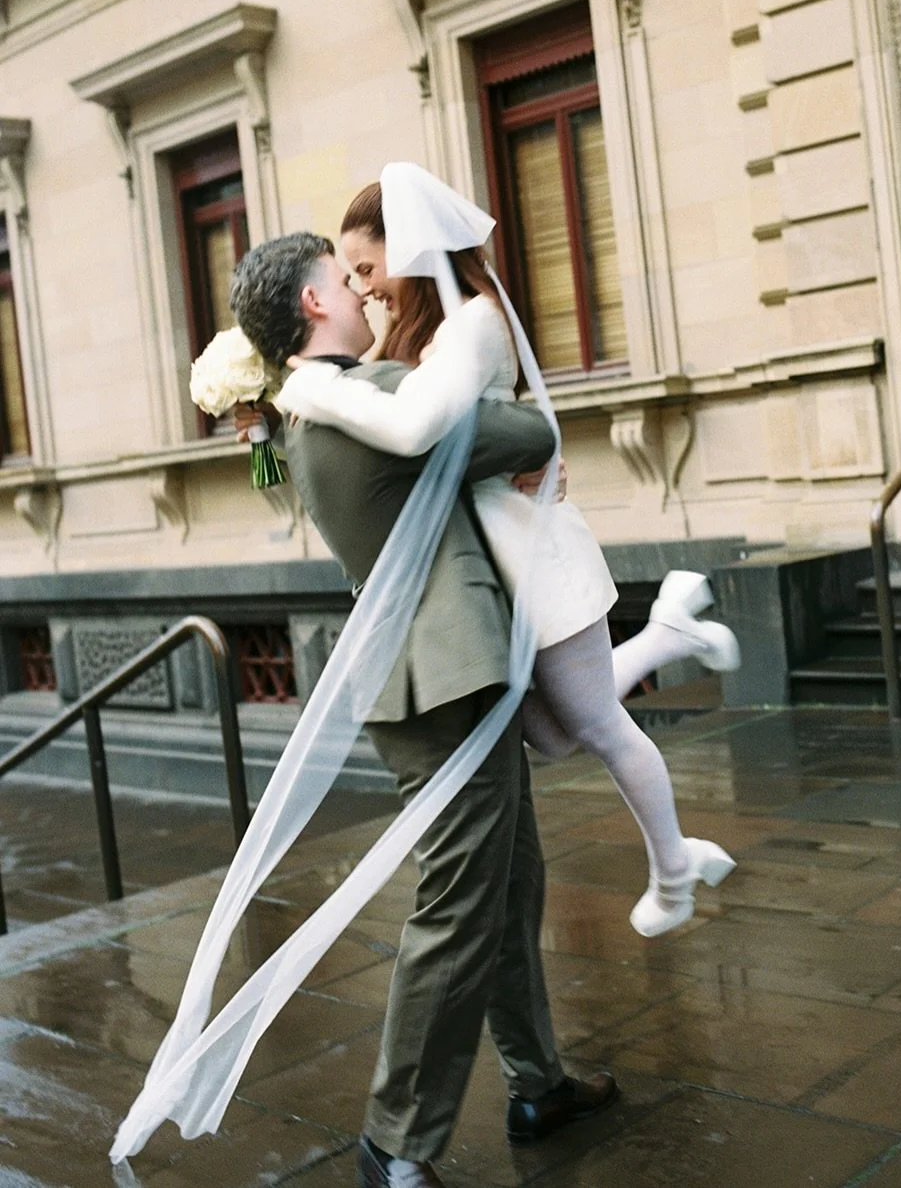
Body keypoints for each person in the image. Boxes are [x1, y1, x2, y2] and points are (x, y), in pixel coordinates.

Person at [229, 232, 618, 1188]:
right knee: (460, 904)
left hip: (424, 671)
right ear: (312, 305)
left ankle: (537, 1083)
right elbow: (526, 434)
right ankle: (396, 1143)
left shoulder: (304, 410)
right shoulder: (375, 395)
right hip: (442, 672)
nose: (364, 291)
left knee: (509, 879)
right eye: (345, 279)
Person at [274, 164, 741, 941]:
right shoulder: (420, 334)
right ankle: (668, 634)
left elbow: (412, 429)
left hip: (529, 550)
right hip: (491, 559)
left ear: (411, 246)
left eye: (367, 265)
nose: (362, 287)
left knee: (595, 725)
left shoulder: (475, 322)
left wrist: (311, 387)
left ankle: (673, 869)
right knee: (552, 733)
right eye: (349, 274)